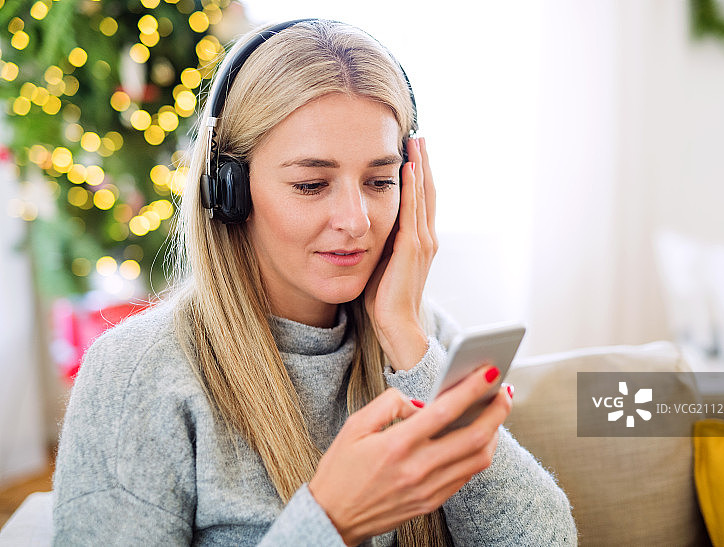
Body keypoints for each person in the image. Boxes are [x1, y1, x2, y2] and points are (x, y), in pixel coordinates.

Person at [53, 19, 577, 546]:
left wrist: (406, 338)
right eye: (310, 184)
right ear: (230, 189)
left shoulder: (421, 337)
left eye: (379, 181)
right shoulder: (138, 373)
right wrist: (330, 521)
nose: (356, 221)